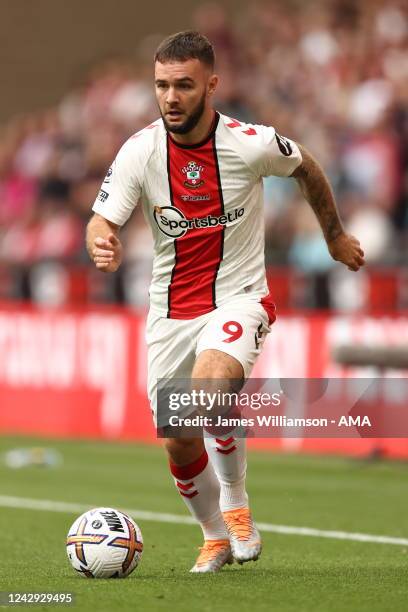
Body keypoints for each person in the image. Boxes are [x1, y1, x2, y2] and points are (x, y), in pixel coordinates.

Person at [86, 30, 365, 573]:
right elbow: (103, 215)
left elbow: (306, 165)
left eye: (184, 86)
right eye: (162, 86)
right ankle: (213, 535)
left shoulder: (249, 142)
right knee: (176, 437)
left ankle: (236, 507)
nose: (171, 97)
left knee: (210, 388)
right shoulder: (140, 150)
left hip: (239, 299)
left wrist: (333, 236)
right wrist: (100, 237)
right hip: (170, 313)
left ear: (211, 85)